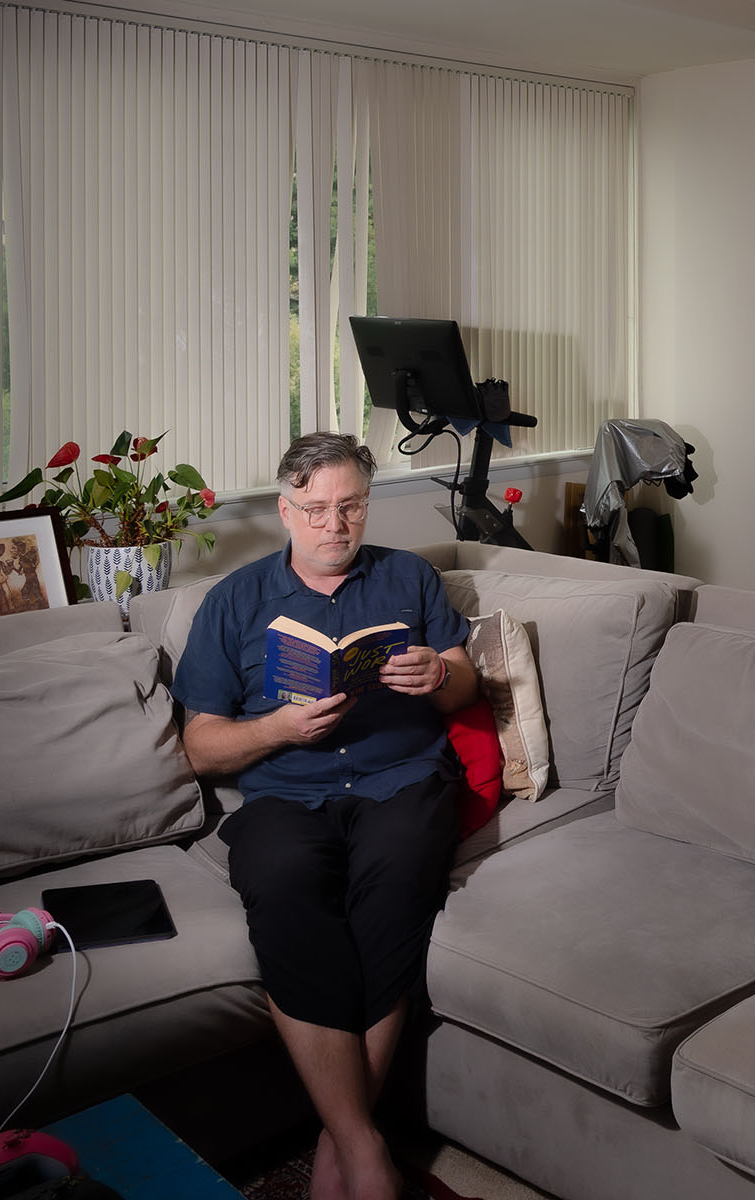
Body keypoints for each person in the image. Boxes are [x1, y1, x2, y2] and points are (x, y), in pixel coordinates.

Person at [172, 432, 478, 1200]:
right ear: (284, 511)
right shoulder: (233, 602)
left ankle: (340, 1142)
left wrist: (438, 672)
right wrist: (278, 728)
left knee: (400, 882)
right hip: (286, 792)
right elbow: (201, 749)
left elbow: (466, 684)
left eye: (350, 507)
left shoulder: (409, 578)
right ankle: (360, 1144)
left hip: (403, 781)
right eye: (315, 510)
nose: (335, 525)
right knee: (280, 890)